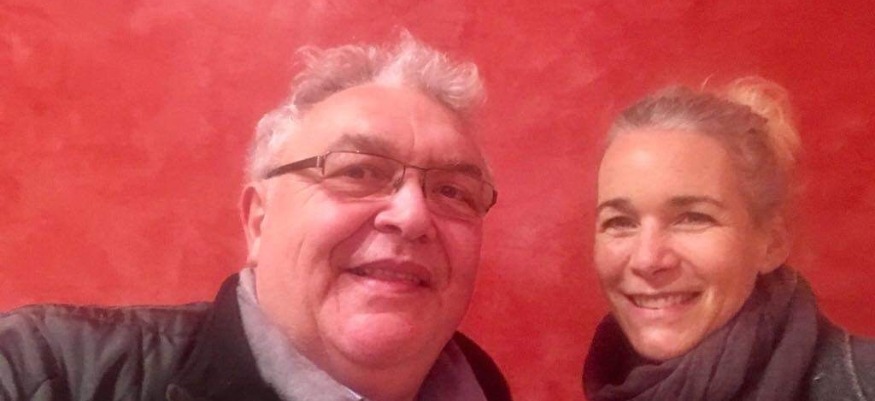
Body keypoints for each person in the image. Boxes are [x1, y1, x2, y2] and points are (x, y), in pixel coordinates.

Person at [0, 34, 512, 401]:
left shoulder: (482, 382)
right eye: (357, 171)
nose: (413, 214)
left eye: (453, 190)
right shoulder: (46, 369)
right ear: (258, 221)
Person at [583, 77, 875, 401]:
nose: (647, 259)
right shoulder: (609, 381)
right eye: (620, 222)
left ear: (772, 243)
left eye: (693, 218)